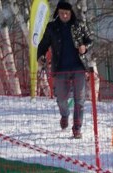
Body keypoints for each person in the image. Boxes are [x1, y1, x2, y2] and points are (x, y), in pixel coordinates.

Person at [36, 0, 94, 139]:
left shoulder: (79, 25)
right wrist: (41, 56)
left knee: (79, 99)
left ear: (71, 13)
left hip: (79, 67)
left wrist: (85, 48)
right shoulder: (52, 27)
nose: (65, 16)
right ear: (58, 13)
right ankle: (64, 115)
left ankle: (77, 128)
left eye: (67, 13)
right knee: (61, 98)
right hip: (60, 68)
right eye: (62, 13)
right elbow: (43, 44)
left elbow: (90, 41)